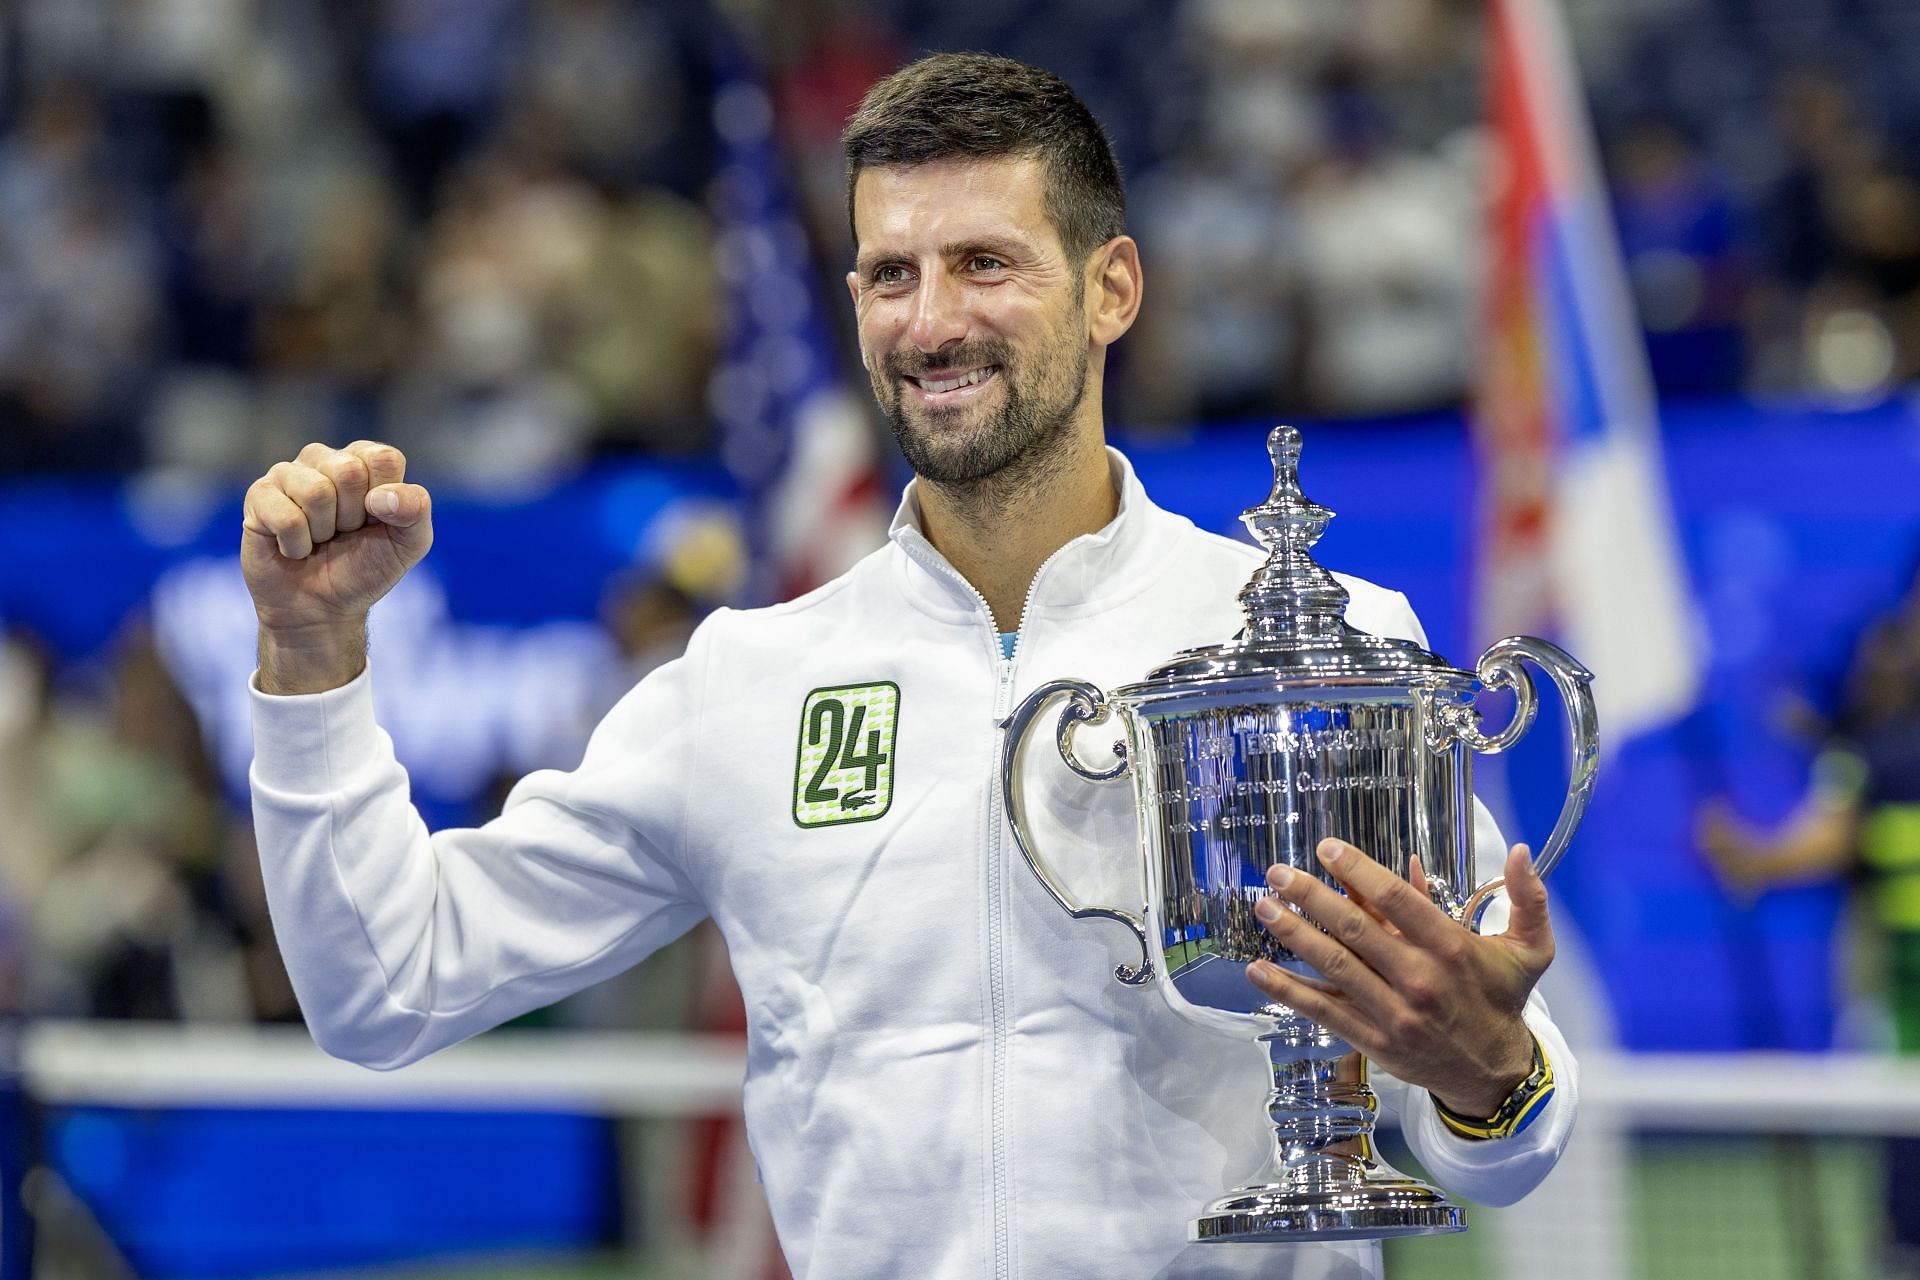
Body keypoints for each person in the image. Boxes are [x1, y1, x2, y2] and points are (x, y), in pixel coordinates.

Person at [240, 54, 1575, 1280]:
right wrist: (312, 664)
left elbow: (1516, 1128)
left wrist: (1487, 1071)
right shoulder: (748, 684)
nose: (931, 323)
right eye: (892, 274)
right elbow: (381, 988)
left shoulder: (1320, 642)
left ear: (1113, 286)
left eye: (986, 262)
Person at [1699, 565, 1920, 1278]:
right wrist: (1755, 859)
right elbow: (1824, 835)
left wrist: (1755, 860)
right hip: (1903, 1026)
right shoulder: (1874, 753)